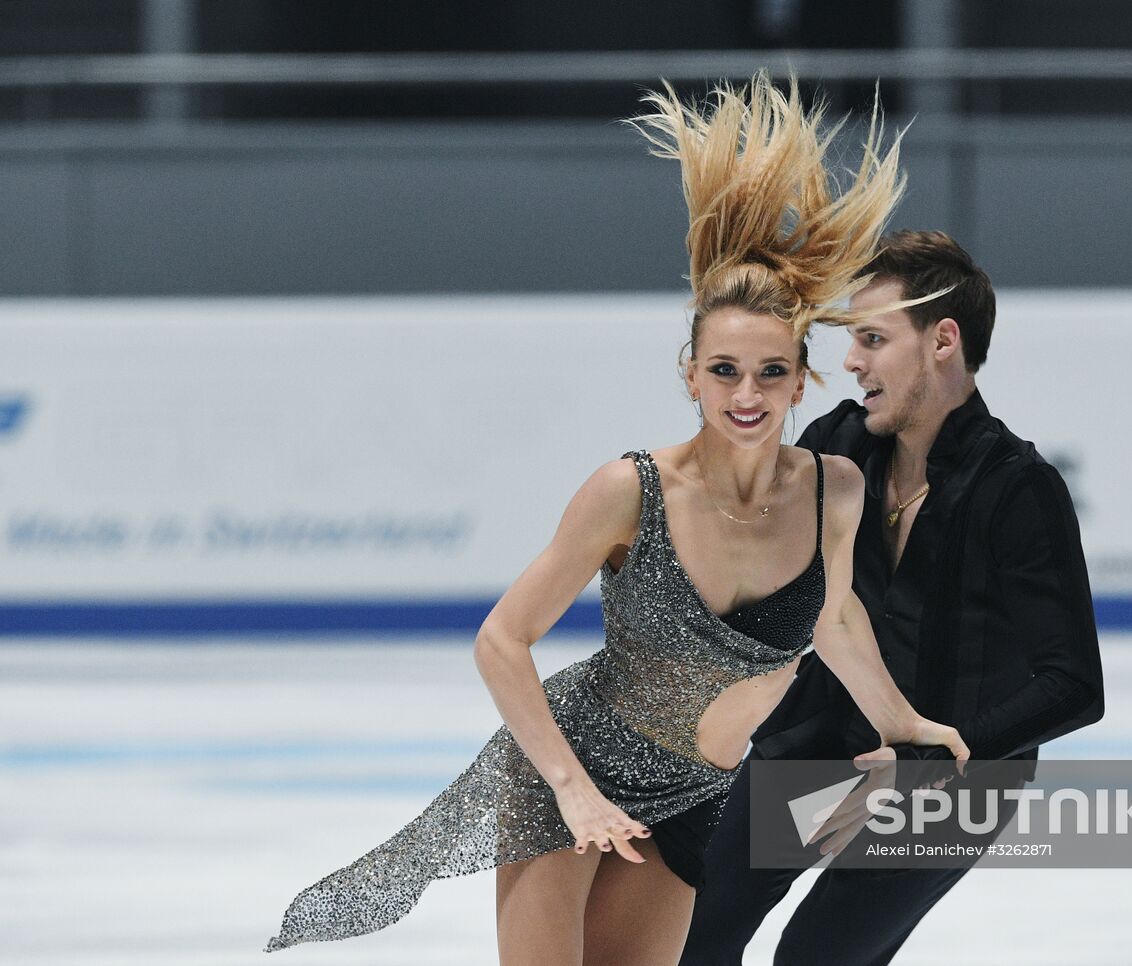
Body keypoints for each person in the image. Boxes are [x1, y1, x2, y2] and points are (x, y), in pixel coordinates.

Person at [262, 76, 969, 964]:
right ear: (690, 374)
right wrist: (569, 788)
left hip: (695, 790)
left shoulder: (836, 489)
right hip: (576, 766)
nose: (745, 396)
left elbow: (832, 617)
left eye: (768, 374)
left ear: (802, 378)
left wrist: (901, 723)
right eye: (722, 372)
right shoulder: (630, 490)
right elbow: (502, 639)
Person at [679, 230, 1107, 966]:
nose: (851, 360)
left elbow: (1074, 687)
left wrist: (924, 762)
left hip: (955, 782)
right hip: (817, 739)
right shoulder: (838, 444)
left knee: (816, 956)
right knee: (694, 926)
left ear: (942, 341)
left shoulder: (1019, 488)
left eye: (872, 338)